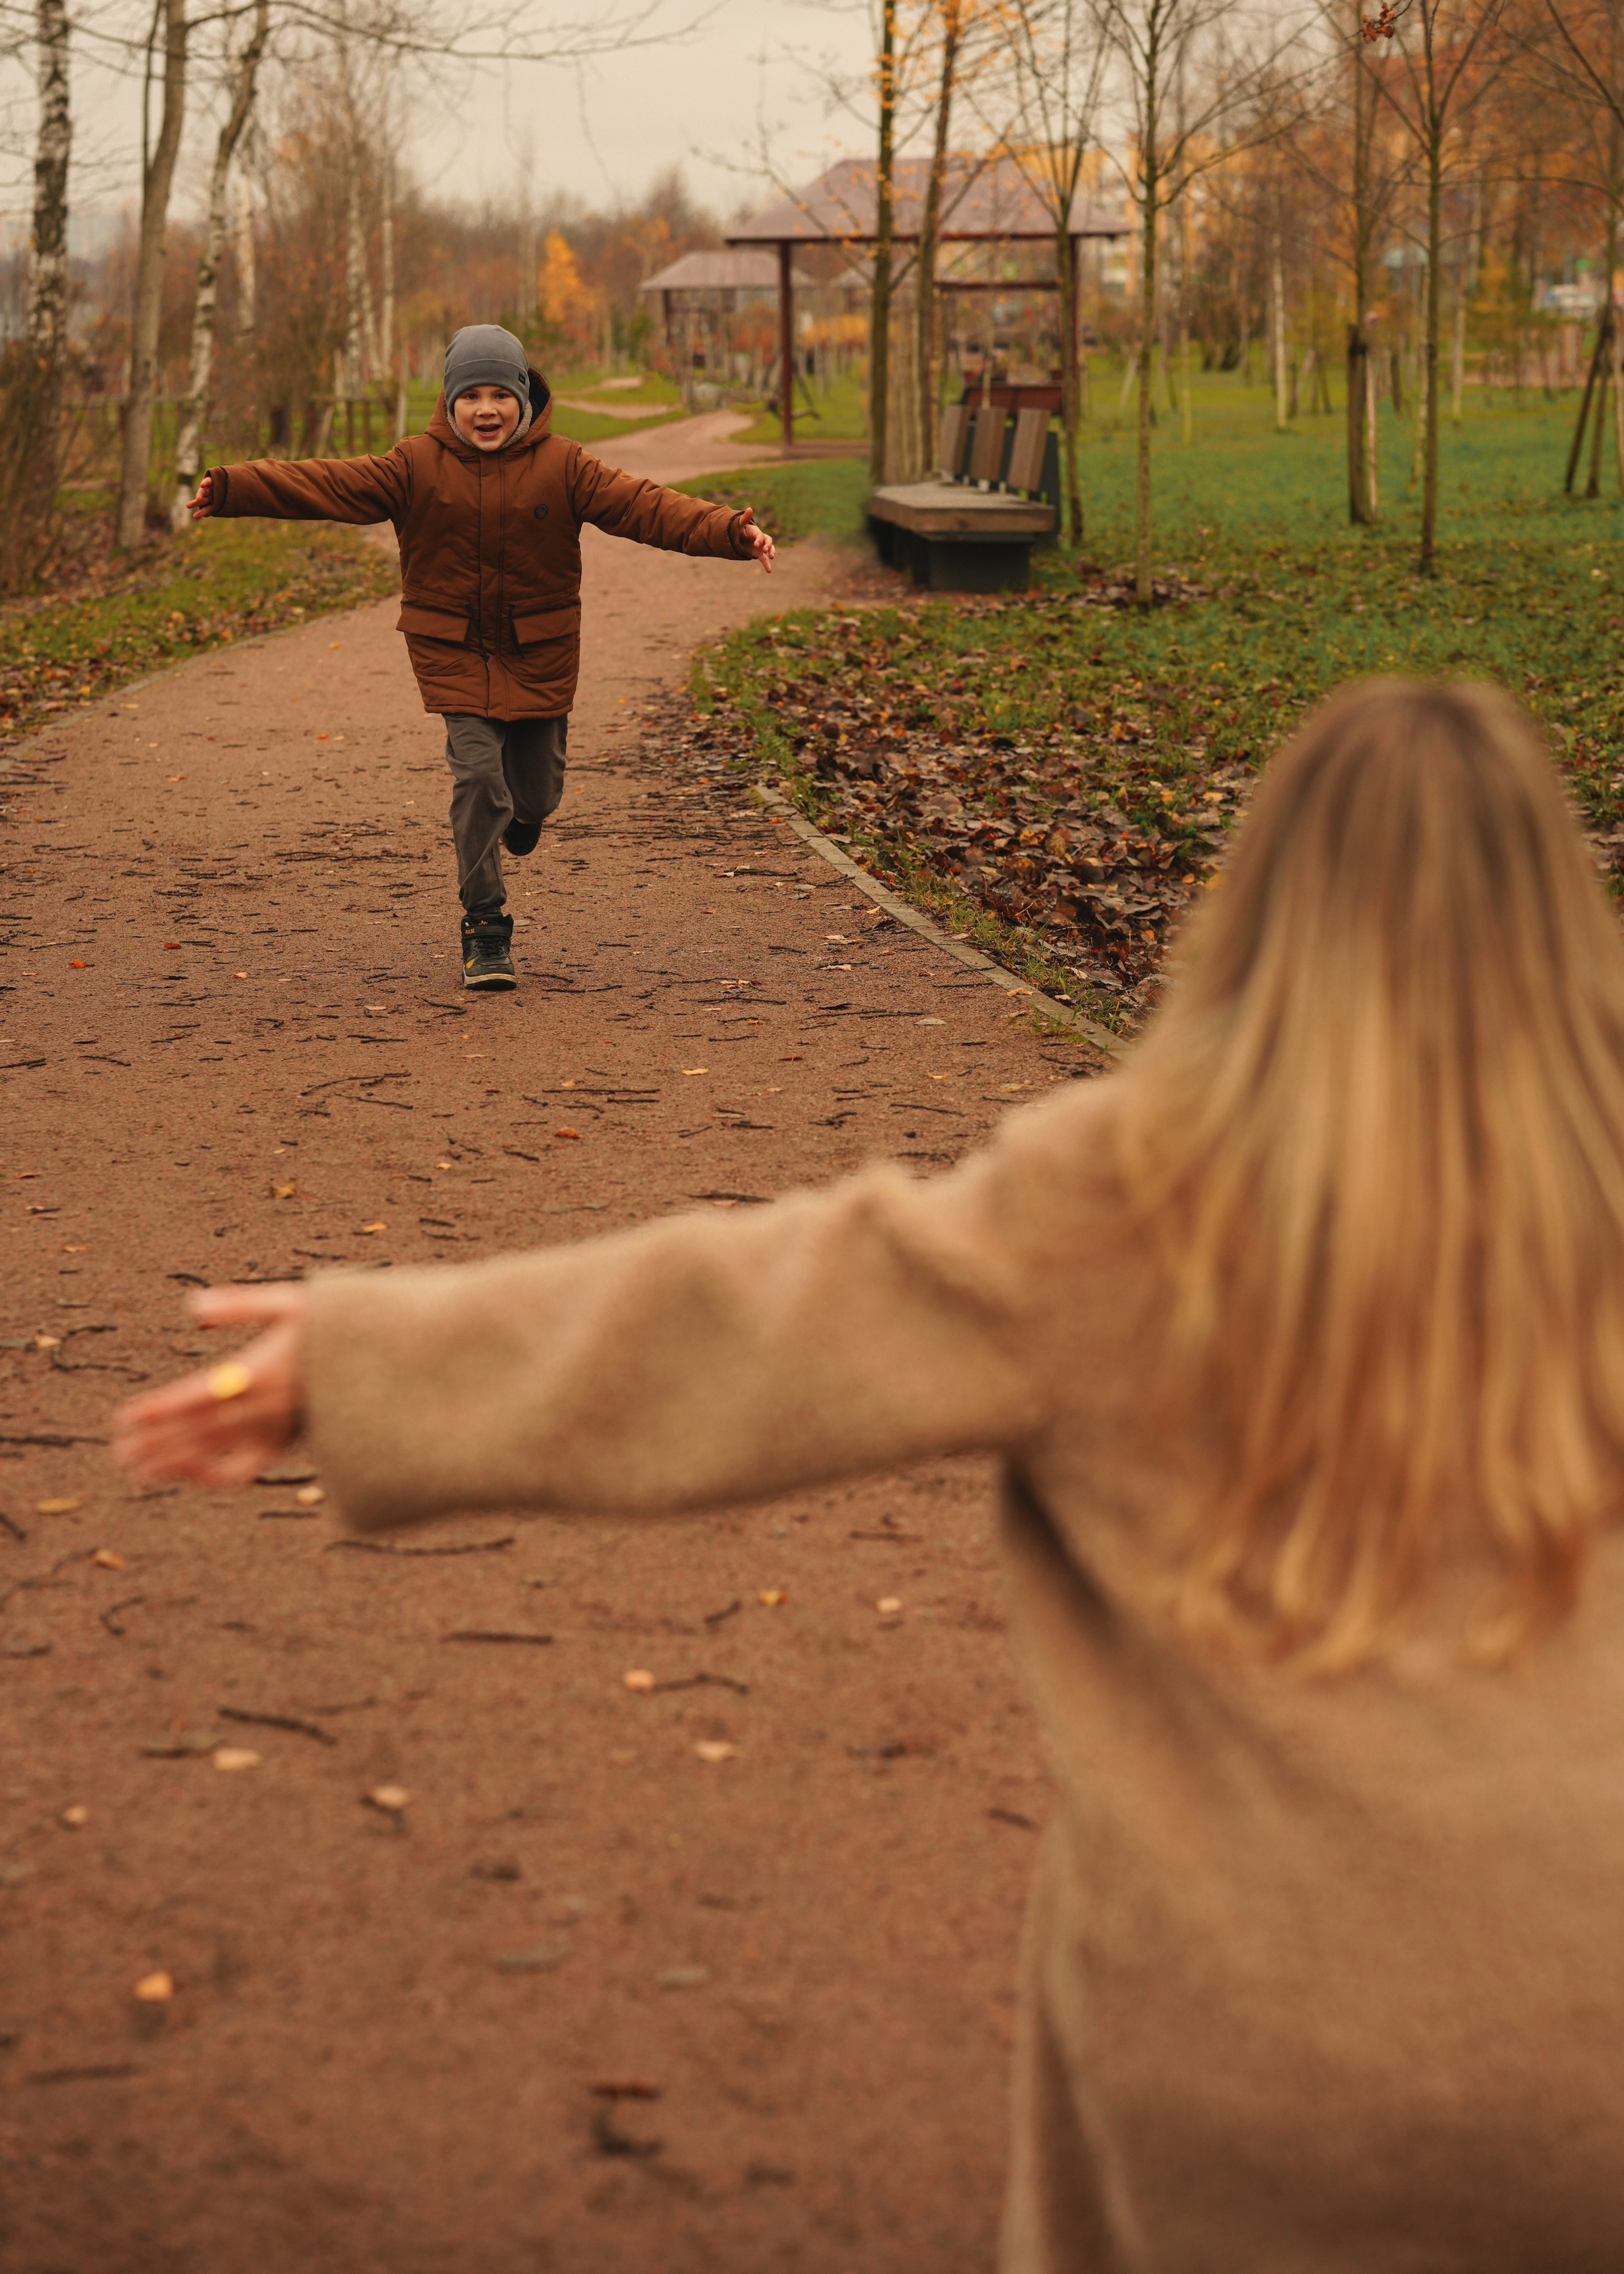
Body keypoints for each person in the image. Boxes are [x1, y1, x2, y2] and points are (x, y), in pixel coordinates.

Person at [115, 676, 1624, 2271]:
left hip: (1259, 2046)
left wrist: (367, 1364)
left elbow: (753, 1321)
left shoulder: (1129, 1197)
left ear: (1256, 913)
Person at [187, 325, 775, 992]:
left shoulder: (566, 465)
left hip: (539, 651)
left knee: (535, 792)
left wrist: (732, 531)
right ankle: (484, 926)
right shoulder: (413, 465)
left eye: (501, 394)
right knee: (477, 782)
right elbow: (327, 483)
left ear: (524, 400)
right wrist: (233, 488)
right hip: (454, 649)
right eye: (472, 396)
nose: (486, 409)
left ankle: (526, 818)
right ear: (449, 402)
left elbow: (647, 508)